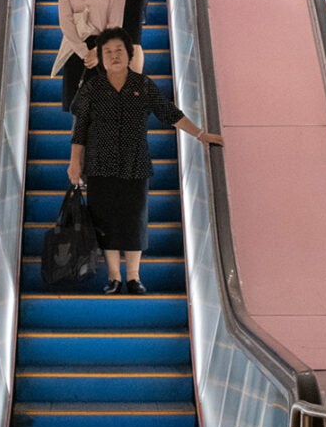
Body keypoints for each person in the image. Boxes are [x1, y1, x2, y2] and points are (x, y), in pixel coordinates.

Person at [67, 29, 220, 294]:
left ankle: (134, 277)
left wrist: (199, 134)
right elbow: (80, 129)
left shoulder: (142, 85)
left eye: (119, 51)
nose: (114, 56)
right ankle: (114, 277)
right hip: (99, 164)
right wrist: (74, 163)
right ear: (101, 58)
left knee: (134, 219)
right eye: (108, 52)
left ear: (129, 55)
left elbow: (169, 113)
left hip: (135, 164)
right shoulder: (92, 89)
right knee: (105, 220)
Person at [53, 0, 125, 109]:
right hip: (76, 48)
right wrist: (84, 52)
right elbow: (66, 21)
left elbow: (115, 25)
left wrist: (98, 52)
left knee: (103, 106)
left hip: (105, 50)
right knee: (78, 107)